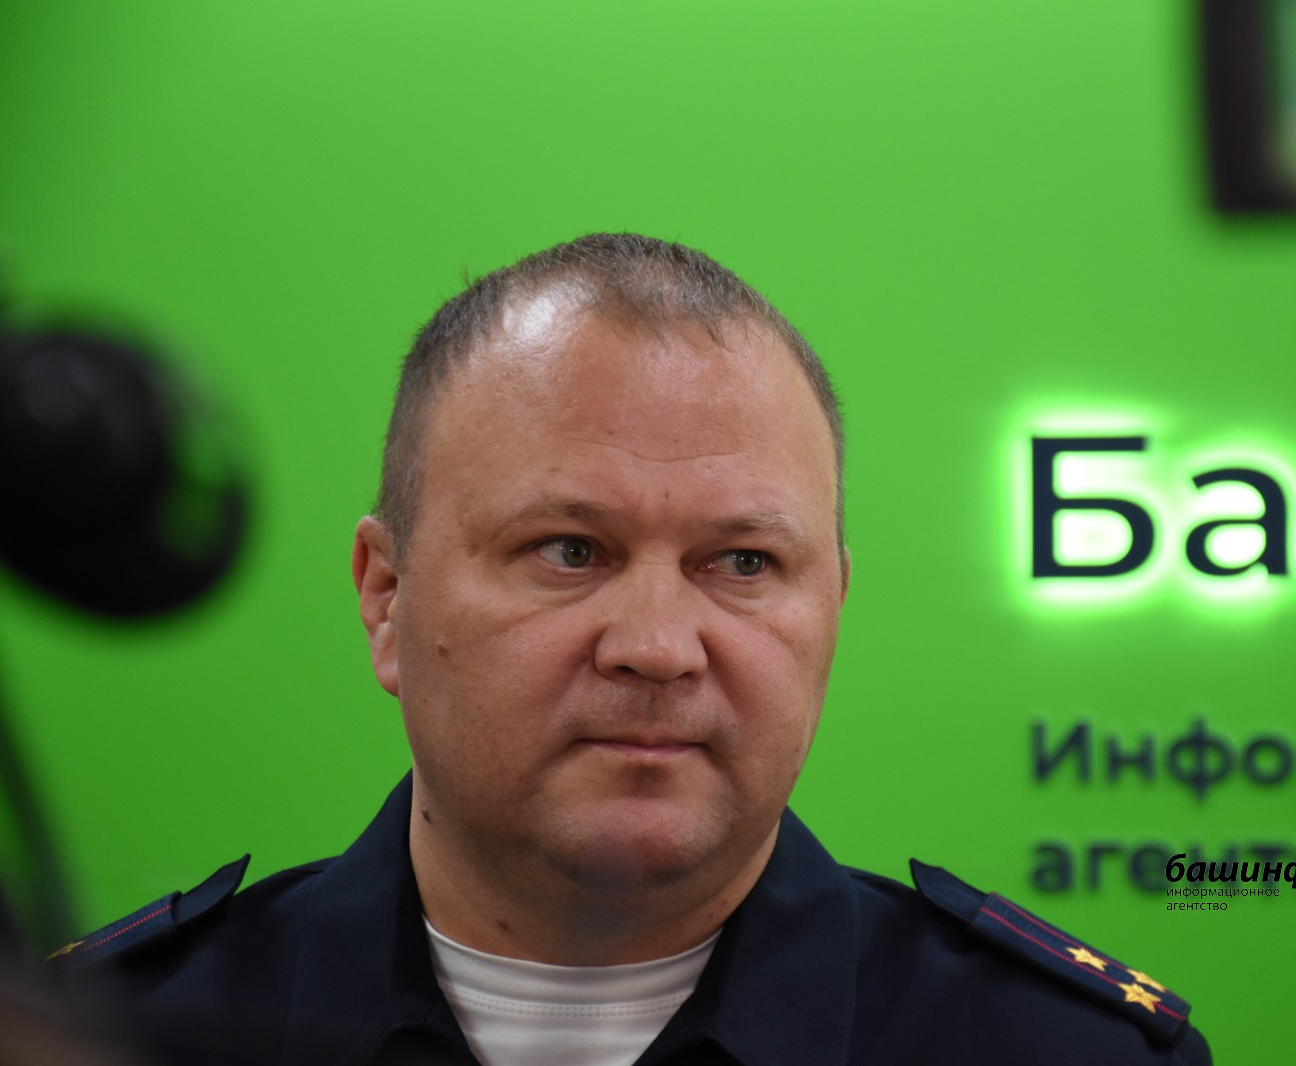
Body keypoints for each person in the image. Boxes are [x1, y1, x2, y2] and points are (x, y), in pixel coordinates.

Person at [50, 235, 1211, 1066]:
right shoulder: (103, 1036)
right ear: (386, 596)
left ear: (833, 607)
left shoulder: (1060, 1047)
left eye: (743, 561)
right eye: (569, 550)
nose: (657, 648)